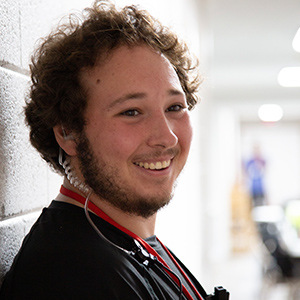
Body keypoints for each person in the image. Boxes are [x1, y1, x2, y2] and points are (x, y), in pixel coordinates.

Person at [0, 1, 229, 299]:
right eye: (131, 112)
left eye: (174, 107)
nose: (167, 137)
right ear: (68, 132)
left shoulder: (125, 241)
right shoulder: (76, 274)